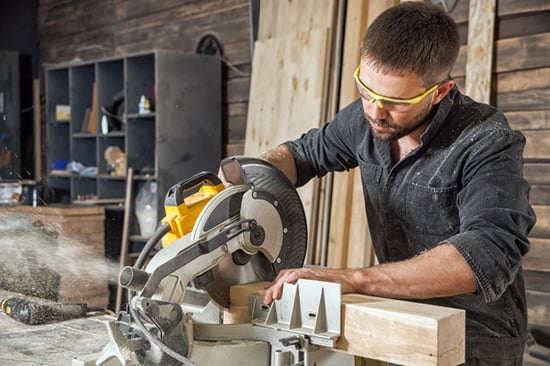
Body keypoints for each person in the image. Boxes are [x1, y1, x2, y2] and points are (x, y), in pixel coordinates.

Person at [226, 2, 536, 365]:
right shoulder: (366, 119)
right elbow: (301, 154)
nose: (375, 111)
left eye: (394, 102)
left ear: (439, 91)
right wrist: (245, 178)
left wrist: (354, 279)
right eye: (366, 91)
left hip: (477, 338)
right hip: (401, 319)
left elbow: (484, 254)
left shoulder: (485, 140)